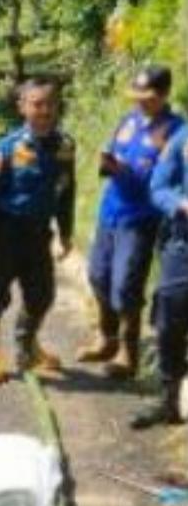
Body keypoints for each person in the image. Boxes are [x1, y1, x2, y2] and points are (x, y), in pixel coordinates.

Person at [77, 66, 183, 378]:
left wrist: (126, 171)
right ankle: (106, 339)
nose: (139, 103)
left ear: (164, 95)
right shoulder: (130, 121)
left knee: (126, 285)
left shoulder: (175, 131)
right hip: (111, 211)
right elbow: (113, 154)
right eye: (135, 97)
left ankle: (128, 351)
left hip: (142, 217)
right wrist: (108, 163)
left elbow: (168, 181)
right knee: (98, 275)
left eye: (147, 98)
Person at [0, 76, 75, 383]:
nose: (44, 110)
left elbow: (67, 191)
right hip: (5, 234)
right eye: (37, 104)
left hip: (37, 234)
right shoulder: (5, 148)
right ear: (22, 107)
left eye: (50, 104)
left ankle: (28, 345)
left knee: (41, 295)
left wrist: (66, 233)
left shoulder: (65, 146)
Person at [132, 120, 188, 427]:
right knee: (169, 317)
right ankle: (168, 399)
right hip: (183, 243)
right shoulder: (182, 139)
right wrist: (180, 204)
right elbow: (158, 187)